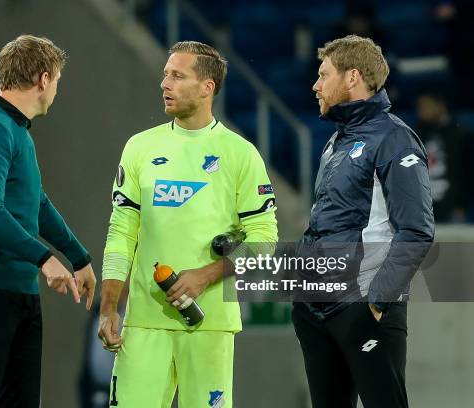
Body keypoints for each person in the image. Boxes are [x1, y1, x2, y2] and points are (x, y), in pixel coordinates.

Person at [98, 41, 278, 407]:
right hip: (144, 323)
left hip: (210, 324)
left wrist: (205, 275)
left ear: (207, 87)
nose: (165, 84)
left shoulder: (240, 154)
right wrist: (108, 306)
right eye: (166, 74)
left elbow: (265, 241)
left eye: (177, 76)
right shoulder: (139, 148)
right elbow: (120, 233)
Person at [0, 34, 96, 408]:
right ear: (43, 79)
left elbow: (35, 204)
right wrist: (46, 259)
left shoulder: (16, 131)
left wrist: (80, 258)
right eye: (57, 81)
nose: (56, 90)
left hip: (17, 291)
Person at [292, 35, 434, 408]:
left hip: (363, 306)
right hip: (316, 308)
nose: (315, 85)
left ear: (352, 76)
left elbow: (416, 230)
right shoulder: (335, 143)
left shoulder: (395, 140)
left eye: (323, 75)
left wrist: (377, 301)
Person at [415, 90, 472, 223]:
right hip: (422, 208)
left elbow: (466, 173)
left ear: (440, 106)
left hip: (452, 207)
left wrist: (461, 204)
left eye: (426, 107)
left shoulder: (460, 134)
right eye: (419, 107)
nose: (421, 111)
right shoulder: (415, 133)